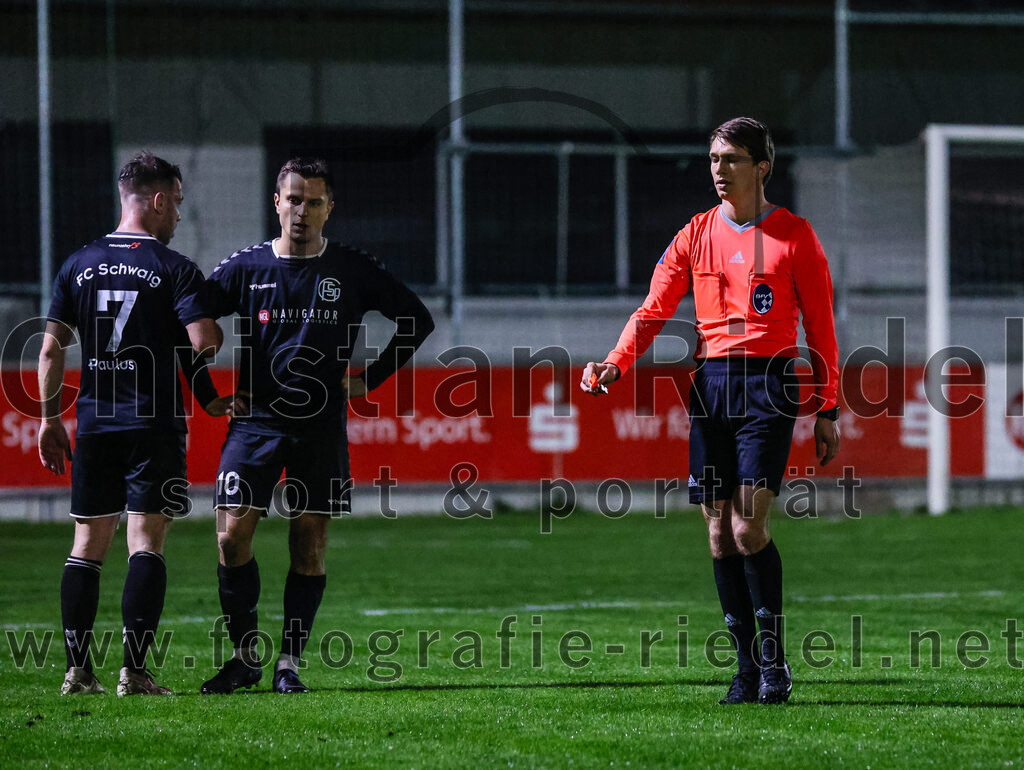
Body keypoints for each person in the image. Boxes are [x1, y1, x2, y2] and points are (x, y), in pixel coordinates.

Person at [581, 118, 840, 705]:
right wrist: (615, 363)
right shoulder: (694, 234)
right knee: (719, 535)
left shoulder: (795, 236)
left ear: (762, 167)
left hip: (769, 384)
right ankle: (746, 671)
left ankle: (773, 665)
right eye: (714, 159)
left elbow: (821, 327)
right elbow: (652, 310)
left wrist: (827, 406)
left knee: (748, 527)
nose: (719, 170)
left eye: (732, 159)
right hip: (711, 385)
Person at [200, 157, 434, 694]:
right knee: (231, 538)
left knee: (308, 545)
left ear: (330, 208)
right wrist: (204, 382)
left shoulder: (351, 268)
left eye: (313, 202)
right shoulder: (245, 267)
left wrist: (370, 378)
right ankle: (245, 658)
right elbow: (191, 315)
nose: (301, 211)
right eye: (293, 200)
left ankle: (288, 664)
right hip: (255, 424)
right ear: (276, 203)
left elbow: (416, 319)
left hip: (320, 427)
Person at [38, 153, 228, 696]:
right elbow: (202, 341)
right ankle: (135, 673)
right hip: (154, 426)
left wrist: (50, 420)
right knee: (146, 542)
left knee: (86, 544)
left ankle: (78, 673)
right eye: (178, 204)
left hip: (95, 425)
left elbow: (49, 350)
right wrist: (206, 326)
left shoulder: (78, 263)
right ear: (159, 200)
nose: (178, 217)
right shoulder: (173, 267)